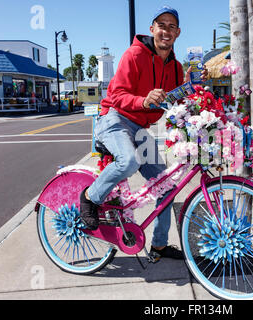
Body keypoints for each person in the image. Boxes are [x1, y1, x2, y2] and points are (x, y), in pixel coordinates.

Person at [79, 5, 207, 260]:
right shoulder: (134, 55)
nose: (166, 31)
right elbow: (116, 96)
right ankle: (90, 196)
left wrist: (192, 87)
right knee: (128, 161)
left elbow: (173, 101)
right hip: (114, 118)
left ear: (178, 32)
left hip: (139, 129)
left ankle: (159, 246)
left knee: (166, 187)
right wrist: (143, 100)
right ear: (152, 29)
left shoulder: (176, 67)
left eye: (172, 26)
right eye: (162, 25)